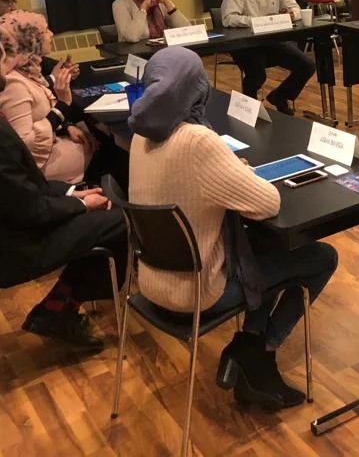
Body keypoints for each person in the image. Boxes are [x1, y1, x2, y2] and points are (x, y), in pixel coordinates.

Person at [127, 47, 338, 409]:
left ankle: (251, 345)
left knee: (259, 252)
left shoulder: (140, 135)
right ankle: (260, 348)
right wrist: (237, 172)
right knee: (321, 257)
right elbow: (267, 203)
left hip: (151, 282)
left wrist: (226, 173)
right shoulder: (198, 141)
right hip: (197, 291)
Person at [0, 24, 127, 350]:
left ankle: (60, 306)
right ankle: (59, 310)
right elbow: (29, 209)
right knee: (119, 218)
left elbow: (18, 187)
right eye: (5, 60)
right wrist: (81, 204)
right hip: (12, 244)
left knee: (100, 206)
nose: (11, 64)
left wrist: (70, 193)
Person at [0, 12, 95, 184]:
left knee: (96, 134)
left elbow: (39, 116)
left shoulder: (27, 71)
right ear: (31, 41)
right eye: (46, 31)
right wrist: (62, 104)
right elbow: (25, 145)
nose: (51, 34)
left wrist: (66, 127)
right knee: (104, 145)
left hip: (50, 148)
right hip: (37, 171)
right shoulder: (13, 84)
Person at [220, 0, 315, 113]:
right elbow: (228, 19)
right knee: (257, 74)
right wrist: (258, 21)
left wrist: (291, 14)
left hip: (272, 42)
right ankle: (248, 111)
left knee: (307, 66)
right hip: (245, 45)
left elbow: (296, 9)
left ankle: (279, 96)